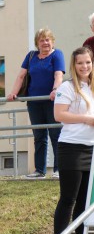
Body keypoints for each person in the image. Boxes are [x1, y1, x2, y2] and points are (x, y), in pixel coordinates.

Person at [51, 47, 94, 234]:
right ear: (74, 66)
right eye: (80, 63)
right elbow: (59, 115)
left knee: (84, 200)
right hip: (71, 149)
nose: (85, 66)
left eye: (88, 63)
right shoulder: (67, 87)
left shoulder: (93, 88)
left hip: (92, 148)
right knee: (68, 199)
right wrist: (86, 119)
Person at [7, 28, 65, 179]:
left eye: (47, 39)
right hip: (34, 102)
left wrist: (55, 90)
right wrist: (13, 92)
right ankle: (39, 170)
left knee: (56, 134)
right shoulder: (31, 56)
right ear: (37, 43)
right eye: (42, 40)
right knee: (39, 136)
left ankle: (59, 170)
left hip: (52, 101)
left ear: (52, 41)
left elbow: (58, 75)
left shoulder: (57, 54)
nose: (45, 43)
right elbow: (21, 76)